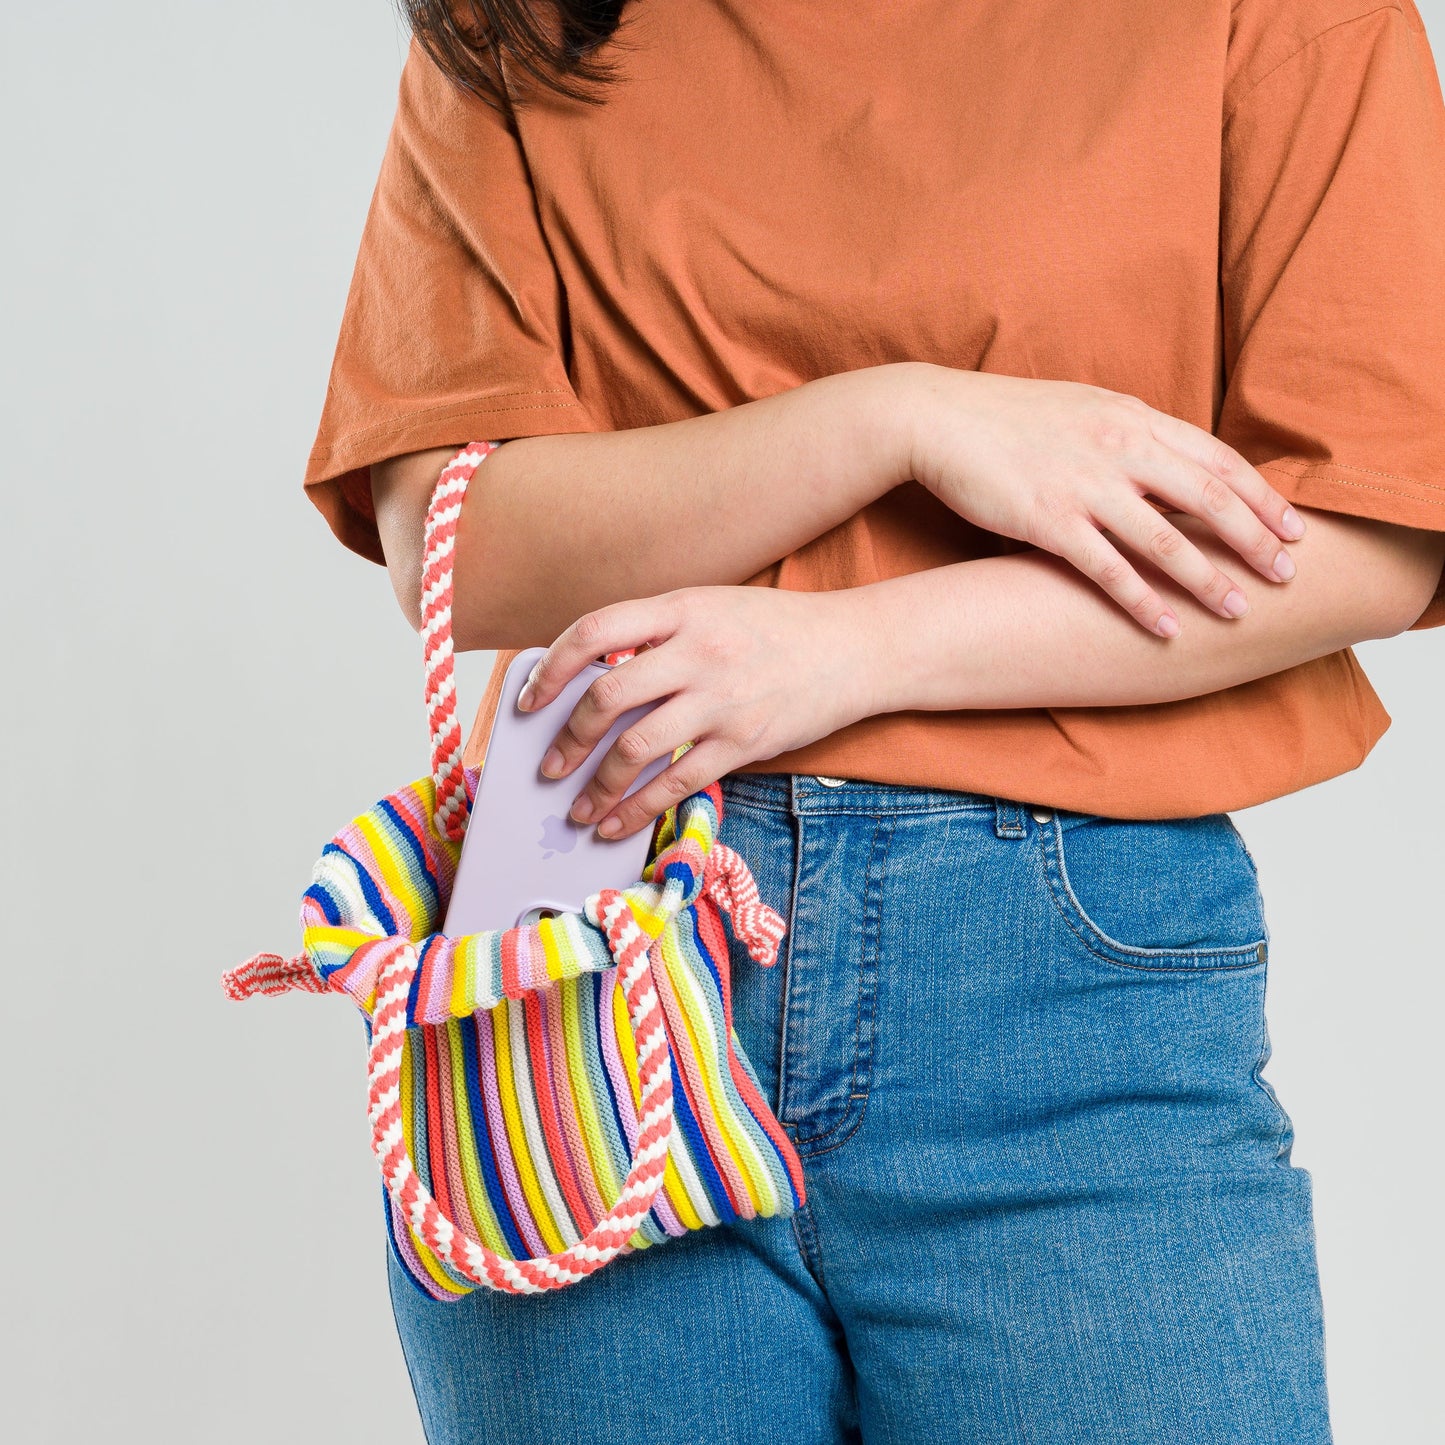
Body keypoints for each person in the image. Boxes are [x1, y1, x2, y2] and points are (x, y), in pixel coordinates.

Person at [300, 2, 1445, 1440]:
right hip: (590, 934)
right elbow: (455, 542)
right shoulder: (523, 20)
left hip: (1067, 982)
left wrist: (849, 649)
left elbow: (1370, 526)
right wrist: (895, 421)